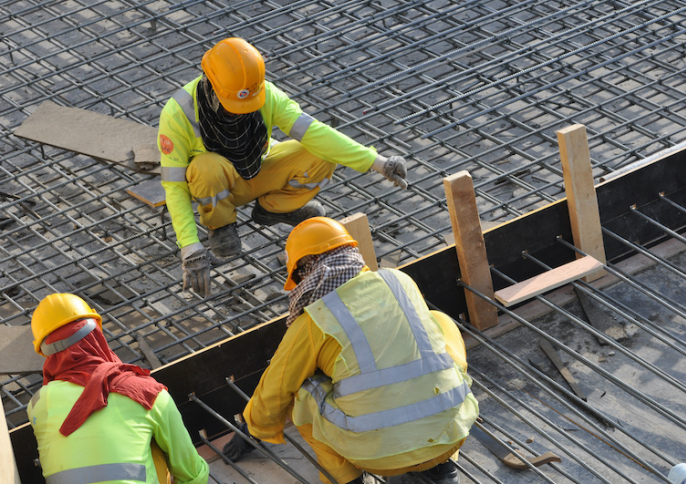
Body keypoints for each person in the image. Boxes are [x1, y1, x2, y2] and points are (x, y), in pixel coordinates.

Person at [222, 217, 479, 484]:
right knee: (440, 322)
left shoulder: (314, 320)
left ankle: (346, 479)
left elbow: (276, 386)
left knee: (302, 391)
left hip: (379, 455)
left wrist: (253, 428)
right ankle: (439, 469)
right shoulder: (398, 280)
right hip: (453, 432)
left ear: (307, 269)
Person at [158, 37, 409, 297]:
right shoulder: (178, 114)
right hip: (220, 185)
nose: (240, 113)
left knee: (320, 155)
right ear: (210, 86)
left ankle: (273, 208)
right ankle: (220, 225)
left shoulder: (264, 93)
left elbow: (315, 132)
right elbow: (174, 186)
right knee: (204, 166)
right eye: (234, 106)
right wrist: (189, 246)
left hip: (259, 166)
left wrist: (377, 163)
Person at [27, 293, 209, 484]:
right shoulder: (147, 393)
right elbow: (192, 475)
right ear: (96, 333)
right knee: (151, 443)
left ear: (46, 352)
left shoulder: (37, 404)